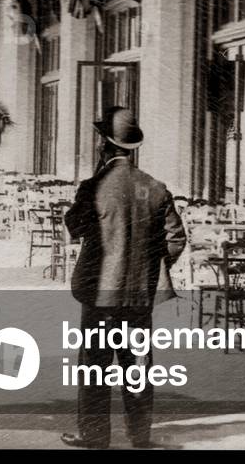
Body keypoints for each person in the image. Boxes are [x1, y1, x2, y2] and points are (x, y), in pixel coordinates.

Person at [61, 107, 186, 450]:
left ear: (104, 144)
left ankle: (95, 436)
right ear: (132, 147)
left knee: (94, 367)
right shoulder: (156, 188)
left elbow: (75, 228)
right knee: (138, 367)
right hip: (137, 299)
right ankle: (140, 436)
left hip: (100, 296)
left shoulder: (94, 186)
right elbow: (176, 239)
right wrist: (150, 270)